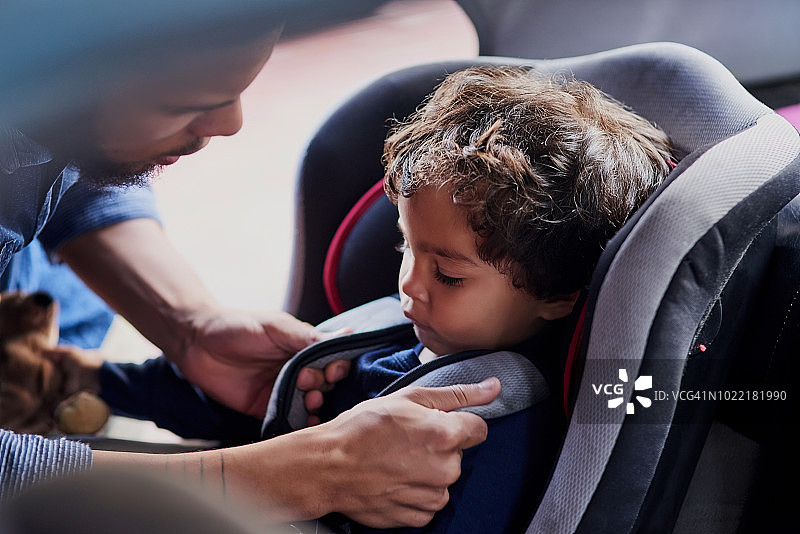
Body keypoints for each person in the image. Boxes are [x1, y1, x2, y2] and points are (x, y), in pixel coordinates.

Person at [0, 1, 500, 527]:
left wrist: (187, 325)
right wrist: (303, 475)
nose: (232, 123)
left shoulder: (47, 111)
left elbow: (78, 170)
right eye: (186, 104)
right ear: (57, 70)